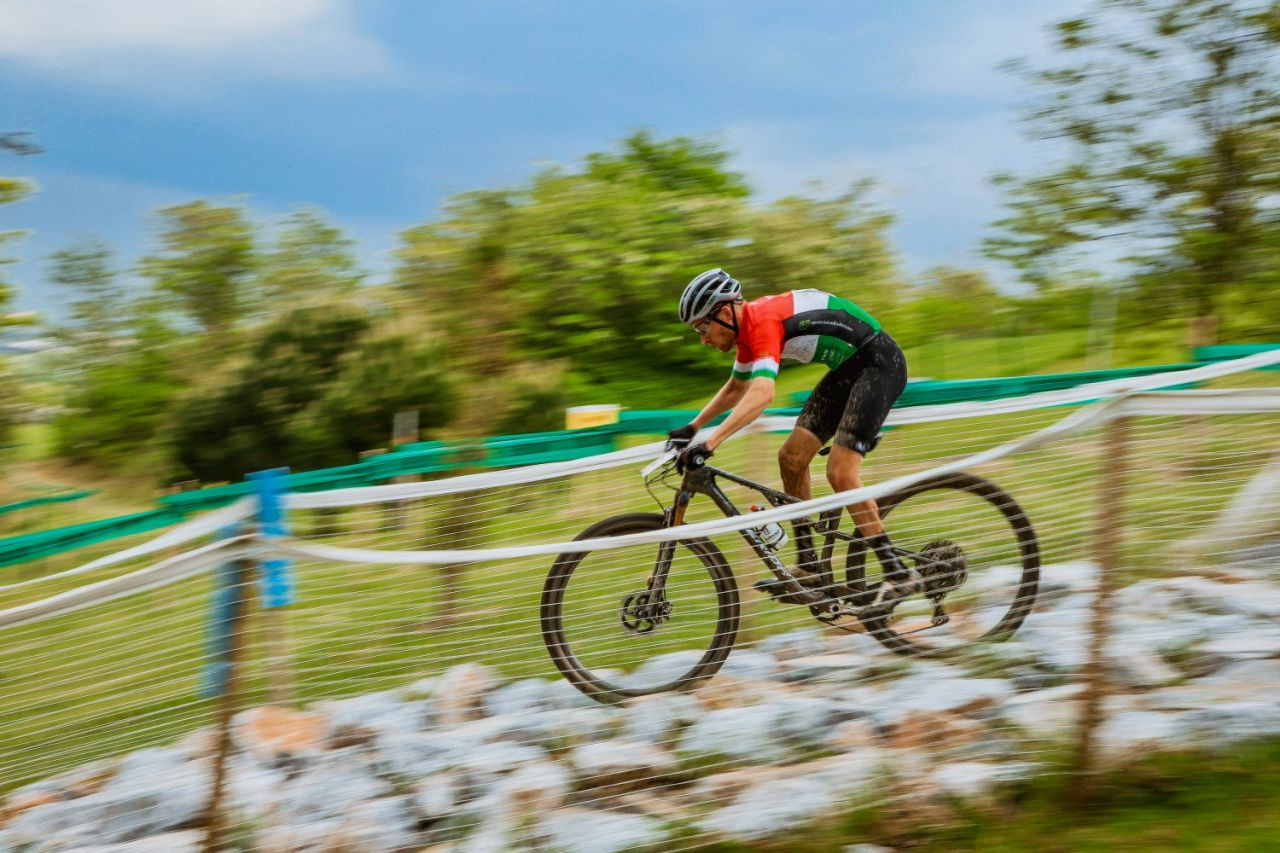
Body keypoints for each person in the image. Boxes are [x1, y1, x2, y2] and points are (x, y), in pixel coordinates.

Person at [667, 267, 919, 612]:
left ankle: (898, 573)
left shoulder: (763, 321)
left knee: (840, 473)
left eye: (702, 328)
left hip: (879, 365)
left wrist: (710, 444)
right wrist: (692, 427)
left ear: (724, 314)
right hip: (848, 370)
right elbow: (737, 387)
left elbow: (762, 392)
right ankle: (811, 566)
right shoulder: (747, 330)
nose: (703, 338)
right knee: (791, 457)